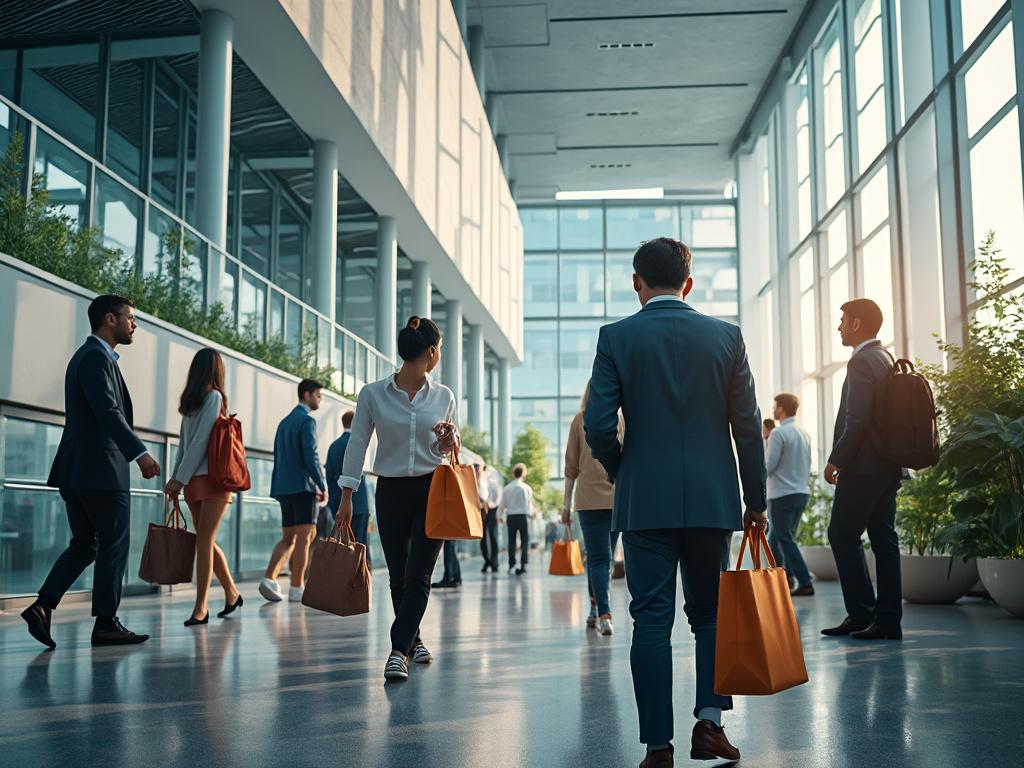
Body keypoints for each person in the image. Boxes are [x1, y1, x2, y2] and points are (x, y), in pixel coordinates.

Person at [584, 238, 766, 766]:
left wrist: (622, 469)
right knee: (709, 615)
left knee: (650, 620)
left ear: (636, 283)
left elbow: (598, 426)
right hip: (712, 499)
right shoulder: (727, 337)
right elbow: (748, 426)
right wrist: (755, 499)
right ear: (689, 283)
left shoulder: (616, 337)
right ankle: (709, 724)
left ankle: (657, 747)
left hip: (644, 500)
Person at [22, 294, 160, 649]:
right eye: (130, 317)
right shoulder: (95, 358)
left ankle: (42, 606)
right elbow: (108, 412)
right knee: (114, 544)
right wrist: (140, 453)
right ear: (110, 319)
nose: (134, 325)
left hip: (78, 471)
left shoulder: (90, 357)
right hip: (101, 471)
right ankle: (106, 624)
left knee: (85, 545)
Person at [336, 316, 459, 681]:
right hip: (389, 490)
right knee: (398, 576)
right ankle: (414, 640)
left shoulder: (444, 396)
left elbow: (442, 450)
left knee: (419, 575)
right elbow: (358, 444)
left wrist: (447, 439)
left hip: (431, 490)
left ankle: (397, 651)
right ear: (431, 352)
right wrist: (346, 495)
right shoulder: (373, 394)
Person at [822, 299, 904, 641]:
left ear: (857, 324)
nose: (839, 326)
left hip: (864, 468)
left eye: (843, 320)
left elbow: (857, 419)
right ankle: (887, 621)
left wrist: (836, 459)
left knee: (842, 535)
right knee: (884, 540)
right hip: (888, 465)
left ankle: (861, 614)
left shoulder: (861, 361)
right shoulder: (885, 357)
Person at [164, 348, 243, 625]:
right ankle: (232, 593)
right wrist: (176, 479)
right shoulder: (198, 402)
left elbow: (197, 443)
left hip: (211, 480)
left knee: (204, 541)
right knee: (204, 540)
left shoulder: (211, 399)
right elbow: (187, 443)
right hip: (196, 481)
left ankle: (201, 607)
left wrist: (179, 478)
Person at [562, 379, 623, 636]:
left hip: (587, 501)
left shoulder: (580, 420)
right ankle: (603, 613)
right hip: (616, 499)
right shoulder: (621, 420)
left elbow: (571, 467)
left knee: (598, 558)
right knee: (604, 558)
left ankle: (596, 609)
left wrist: (566, 504)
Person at [259, 379, 328, 604]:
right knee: (305, 537)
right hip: (302, 487)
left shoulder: (284, 423)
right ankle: (297, 587)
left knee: (289, 538)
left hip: (283, 488)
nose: (320, 400)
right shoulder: (307, 421)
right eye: (318, 395)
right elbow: (311, 455)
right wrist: (322, 484)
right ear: (306, 395)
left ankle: (269, 578)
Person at [765, 392, 814, 597]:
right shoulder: (803, 433)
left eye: (775, 406)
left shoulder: (778, 434)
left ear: (782, 409)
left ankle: (803, 581)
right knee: (776, 539)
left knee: (783, 539)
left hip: (781, 494)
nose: (773, 410)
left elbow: (769, 466)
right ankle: (786, 579)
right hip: (800, 492)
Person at [324, 410, 370, 565]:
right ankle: (361, 576)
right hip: (359, 505)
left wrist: (333, 504)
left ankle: (342, 576)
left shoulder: (333, 446)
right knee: (360, 546)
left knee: (342, 547)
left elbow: (329, 477)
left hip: (339, 505)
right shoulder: (357, 443)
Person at [499, 464, 534, 575]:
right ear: (523, 473)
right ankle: (523, 564)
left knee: (511, 542)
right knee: (524, 541)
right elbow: (530, 504)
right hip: (523, 516)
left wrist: (499, 516)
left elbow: (502, 504)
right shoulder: (527, 488)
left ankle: (511, 564)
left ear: (513, 474)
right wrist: (531, 515)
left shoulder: (507, 488)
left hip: (511, 517)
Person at [477, 463, 502, 572]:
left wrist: (489, 504)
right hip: (482, 510)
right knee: (483, 537)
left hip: (491, 510)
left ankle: (494, 562)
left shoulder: (494, 484)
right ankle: (487, 561)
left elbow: (498, 500)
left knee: (492, 536)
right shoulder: (479, 483)